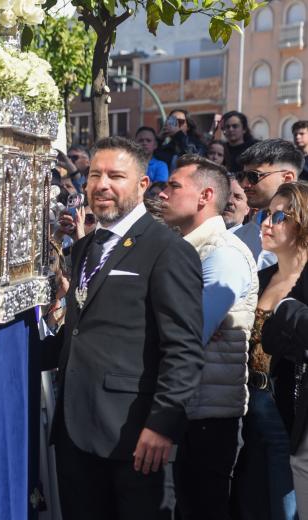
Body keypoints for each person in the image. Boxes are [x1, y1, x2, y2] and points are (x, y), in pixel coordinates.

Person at [43, 136, 205, 520]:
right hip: (75, 433)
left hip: (135, 437)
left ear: (143, 185)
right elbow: (78, 331)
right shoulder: (85, 249)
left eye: (116, 175)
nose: (102, 184)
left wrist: (162, 425)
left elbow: (183, 349)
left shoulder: (168, 250)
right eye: (95, 174)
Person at [158, 155, 257, 520]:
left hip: (209, 417)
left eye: (174, 186)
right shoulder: (185, 249)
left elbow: (189, 331)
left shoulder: (222, 253)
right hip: (188, 409)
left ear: (205, 196)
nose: (164, 194)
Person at [244, 183, 308, 520]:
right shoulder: (261, 276)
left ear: (302, 222)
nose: (267, 223)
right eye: (265, 215)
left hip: (291, 414)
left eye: (279, 216)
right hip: (249, 410)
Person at [234, 139, 302, 269]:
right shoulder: (238, 238)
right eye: (241, 176)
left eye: (253, 176)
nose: (244, 184)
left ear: (287, 179)